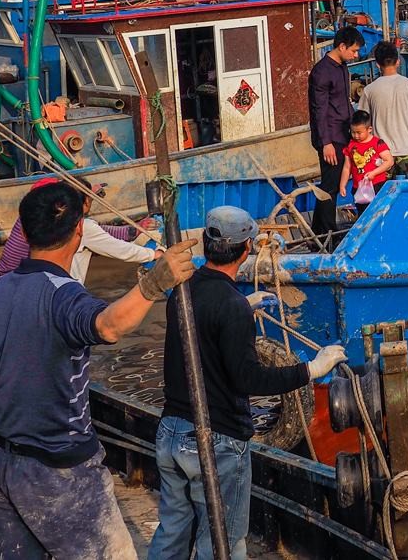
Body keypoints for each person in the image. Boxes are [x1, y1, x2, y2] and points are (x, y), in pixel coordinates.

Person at [0, 181, 198, 559]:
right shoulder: (63, 293)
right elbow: (108, 325)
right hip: (58, 470)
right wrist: (155, 282)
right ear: (79, 230)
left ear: (24, 230)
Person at [149, 206, 346, 560]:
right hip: (215, 441)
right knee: (223, 540)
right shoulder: (231, 306)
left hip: (171, 433)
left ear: (207, 246)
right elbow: (249, 378)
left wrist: (243, 304)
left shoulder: (182, 290)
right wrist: (312, 370)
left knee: (172, 532)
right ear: (247, 248)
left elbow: (203, 331)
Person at [0, 175, 162, 284]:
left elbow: (96, 232)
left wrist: (131, 231)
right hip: (48, 291)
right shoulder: (78, 227)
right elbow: (119, 249)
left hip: (11, 286)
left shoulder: (31, 219)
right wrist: (153, 254)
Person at [309, 26, 365, 233]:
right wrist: (326, 143)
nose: (355, 55)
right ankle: (326, 234)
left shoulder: (342, 66)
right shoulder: (322, 72)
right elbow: (319, 110)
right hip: (331, 137)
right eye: (353, 50)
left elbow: (344, 102)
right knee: (330, 186)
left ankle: (320, 229)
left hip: (344, 132)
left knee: (332, 183)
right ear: (342, 46)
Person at [359, 41, 408, 177]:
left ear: (377, 64)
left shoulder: (369, 90)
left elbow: (362, 121)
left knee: (383, 196)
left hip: (380, 156)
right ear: (398, 62)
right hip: (405, 152)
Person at [340, 111, 394, 214]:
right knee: (363, 214)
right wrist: (343, 185)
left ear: (369, 129)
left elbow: (389, 161)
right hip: (359, 188)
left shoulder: (377, 143)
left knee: (379, 212)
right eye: (353, 132)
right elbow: (347, 167)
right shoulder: (350, 146)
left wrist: (374, 173)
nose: (356, 136)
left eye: (359, 133)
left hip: (377, 185)